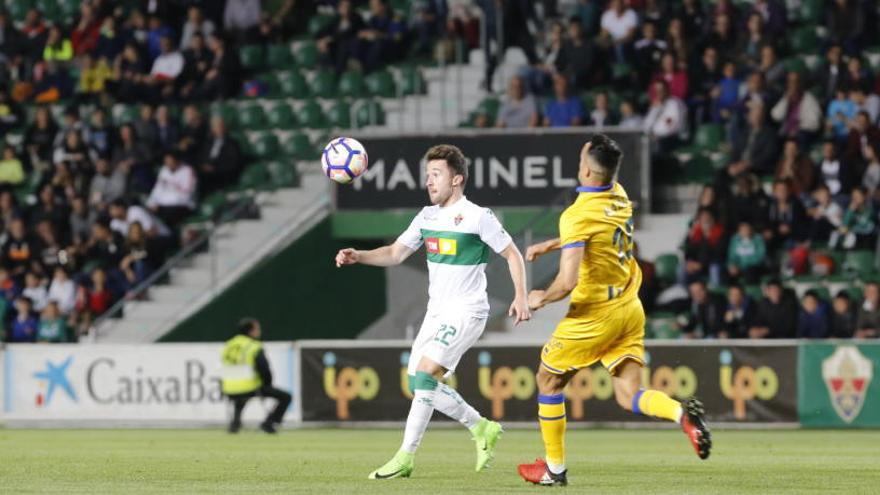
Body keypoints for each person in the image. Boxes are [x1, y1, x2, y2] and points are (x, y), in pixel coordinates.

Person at [518, 135, 711, 487]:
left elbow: (567, 282)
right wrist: (552, 244)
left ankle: (554, 470)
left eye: (580, 161)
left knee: (548, 379)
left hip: (595, 315)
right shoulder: (619, 194)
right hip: (629, 308)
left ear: (588, 171)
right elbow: (598, 231)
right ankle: (681, 414)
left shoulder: (575, 214)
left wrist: (537, 299)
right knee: (628, 395)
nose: (577, 165)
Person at [335, 144, 531, 479]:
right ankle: (481, 426)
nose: (429, 181)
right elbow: (396, 253)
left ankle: (405, 457)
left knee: (425, 376)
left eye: (436, 175)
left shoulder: (477, 216)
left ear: (457, 179)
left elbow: (512, 254)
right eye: (427, 175)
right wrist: (360, 256)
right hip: (436, 313)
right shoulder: (426, 217)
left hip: (467, 310)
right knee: (418, 383)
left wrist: (521, 297)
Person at [220, 318, 292, 434]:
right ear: (250, 331)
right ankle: (269, 423)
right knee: (286, 397)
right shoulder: (254, 346)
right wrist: (267, 384)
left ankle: (235, 424)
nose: (259, 331)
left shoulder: (229, 345)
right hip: (249, 387)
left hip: (228, 388)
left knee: (240, 397)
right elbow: (264, 368)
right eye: (257, 329)